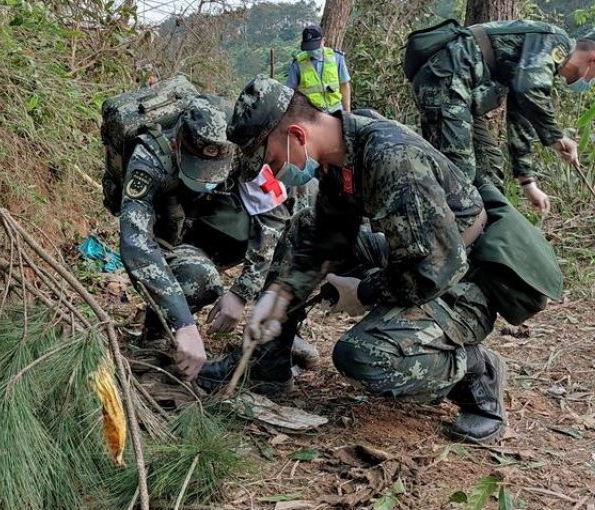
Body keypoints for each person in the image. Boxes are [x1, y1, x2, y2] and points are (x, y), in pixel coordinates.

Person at [198, 77, 563, 444]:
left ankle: (476, 372)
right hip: (418, 254)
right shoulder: (341, 153)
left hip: (466, 279)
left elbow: (434, 271)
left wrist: (364, 292)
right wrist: (279, 296)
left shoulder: (390, 158)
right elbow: (327, 236)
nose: (273, 172)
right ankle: (268, 364)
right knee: (303, 229)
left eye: (271, 159)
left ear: (296, 135)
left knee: (364, 356)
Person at [120, 94, 306, 383]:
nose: (205, 178)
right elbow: (136, 242)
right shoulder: (149, 157)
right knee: (198, 277)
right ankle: (158, 333)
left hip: (207, 223)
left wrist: (241, 293)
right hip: (165, 232)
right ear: (176, 144)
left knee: (295, 232)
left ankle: (274, 344)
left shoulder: (243, 148)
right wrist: (184, 323)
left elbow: (273, 218)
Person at [408, 22, 595, 213]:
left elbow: (520, 113)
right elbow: (528, 89)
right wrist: (557, 138)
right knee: (459, 176)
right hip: (446, 81)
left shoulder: (543, 63)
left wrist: (528, 182)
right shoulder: (555, 41)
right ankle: (439, 245)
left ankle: (491, 241)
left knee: (489, 166)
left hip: (459, 92)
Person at [286, 23, 352, 113]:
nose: (312, 50)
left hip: (336, 111)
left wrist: (347, 112)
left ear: (323, 41)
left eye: (314, 46)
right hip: (311, 115)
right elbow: (290, 91)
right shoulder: (298, 63)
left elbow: (344, 84)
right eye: (309, 47)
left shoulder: (336, 57)